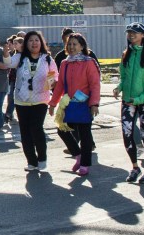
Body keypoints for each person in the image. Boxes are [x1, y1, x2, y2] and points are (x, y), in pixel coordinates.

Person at [114, 23, 144, 184]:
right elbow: (124, 76)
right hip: (128, 101)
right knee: (127, 133)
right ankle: (135, 167)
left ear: (143, 35)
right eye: (129, 32)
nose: (131, 35)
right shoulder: (126, 54)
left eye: (135, 33)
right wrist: (119, 88)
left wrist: (140, 99)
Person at [49, 33, 101, 176]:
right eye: (69, 44)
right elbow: (60, 85)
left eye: (75, 44)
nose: (71, 47)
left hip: (85, 104)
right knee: (62, 130)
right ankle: (77, 155)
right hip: (69, 104)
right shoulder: (65, 63)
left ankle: (85, 164)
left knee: (85, 135)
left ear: (82, 46)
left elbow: (95, 84)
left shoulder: (88, 62)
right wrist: (53, 103)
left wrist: (94, 103)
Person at [6, 30, 58, 172]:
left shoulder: (47, 59)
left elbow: (54, 76)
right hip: (21, 100)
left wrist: (52, 83)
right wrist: (5, 52)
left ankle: (42, 158)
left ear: (41, 43)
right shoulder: (20, 57)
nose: (34, 43)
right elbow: (8, 64)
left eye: (36, 40)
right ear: (26, 43)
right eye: (30, 40)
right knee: (25, 131)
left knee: (36, 128)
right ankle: (31, 161)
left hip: (40, 99)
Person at [3, 35, 23, 124]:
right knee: (11, 96)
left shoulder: (25, 55)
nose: (14, 45)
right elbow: (9, 63)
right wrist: (6, 53)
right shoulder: (16, 54)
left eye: (16, 43)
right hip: (13, 78)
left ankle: (8, 114)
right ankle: (8, 114)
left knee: (15, 97)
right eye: (13, 43)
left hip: (22, 80)